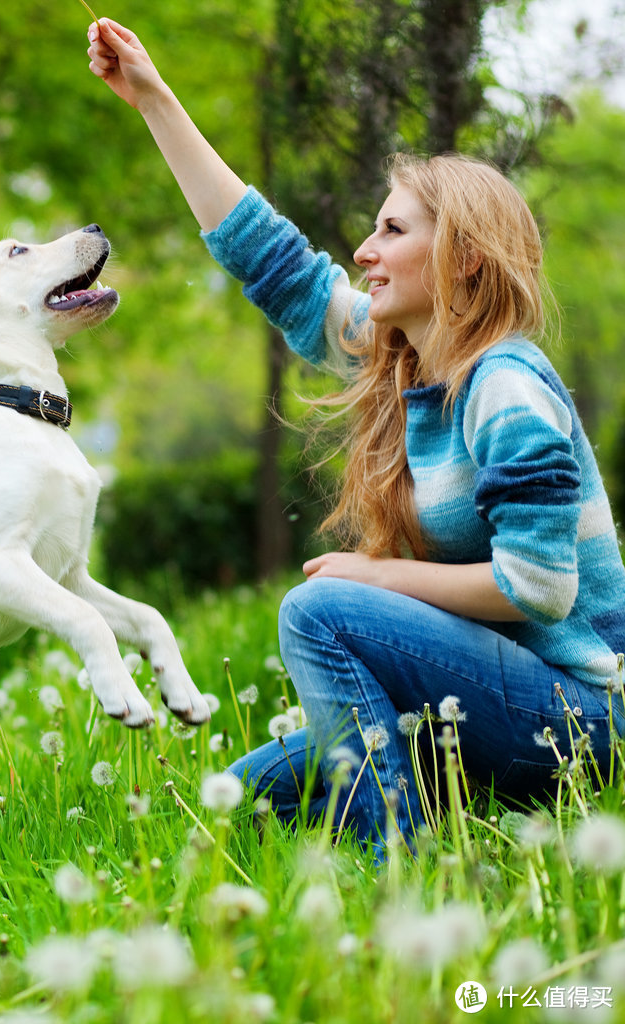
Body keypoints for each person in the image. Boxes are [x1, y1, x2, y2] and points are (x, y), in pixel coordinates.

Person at [86, 19, 625, 856]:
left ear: (464, 258)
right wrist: (155, 101)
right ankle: (427, 812)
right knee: (248, 796)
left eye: (392, 231)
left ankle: (397, 866)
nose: (364, 251)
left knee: (320, 612)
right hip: (490, 696)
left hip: (580, 721)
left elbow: (540, 588)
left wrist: (380, 578)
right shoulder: (408, 364)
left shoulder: (506, 387)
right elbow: (273, 263)